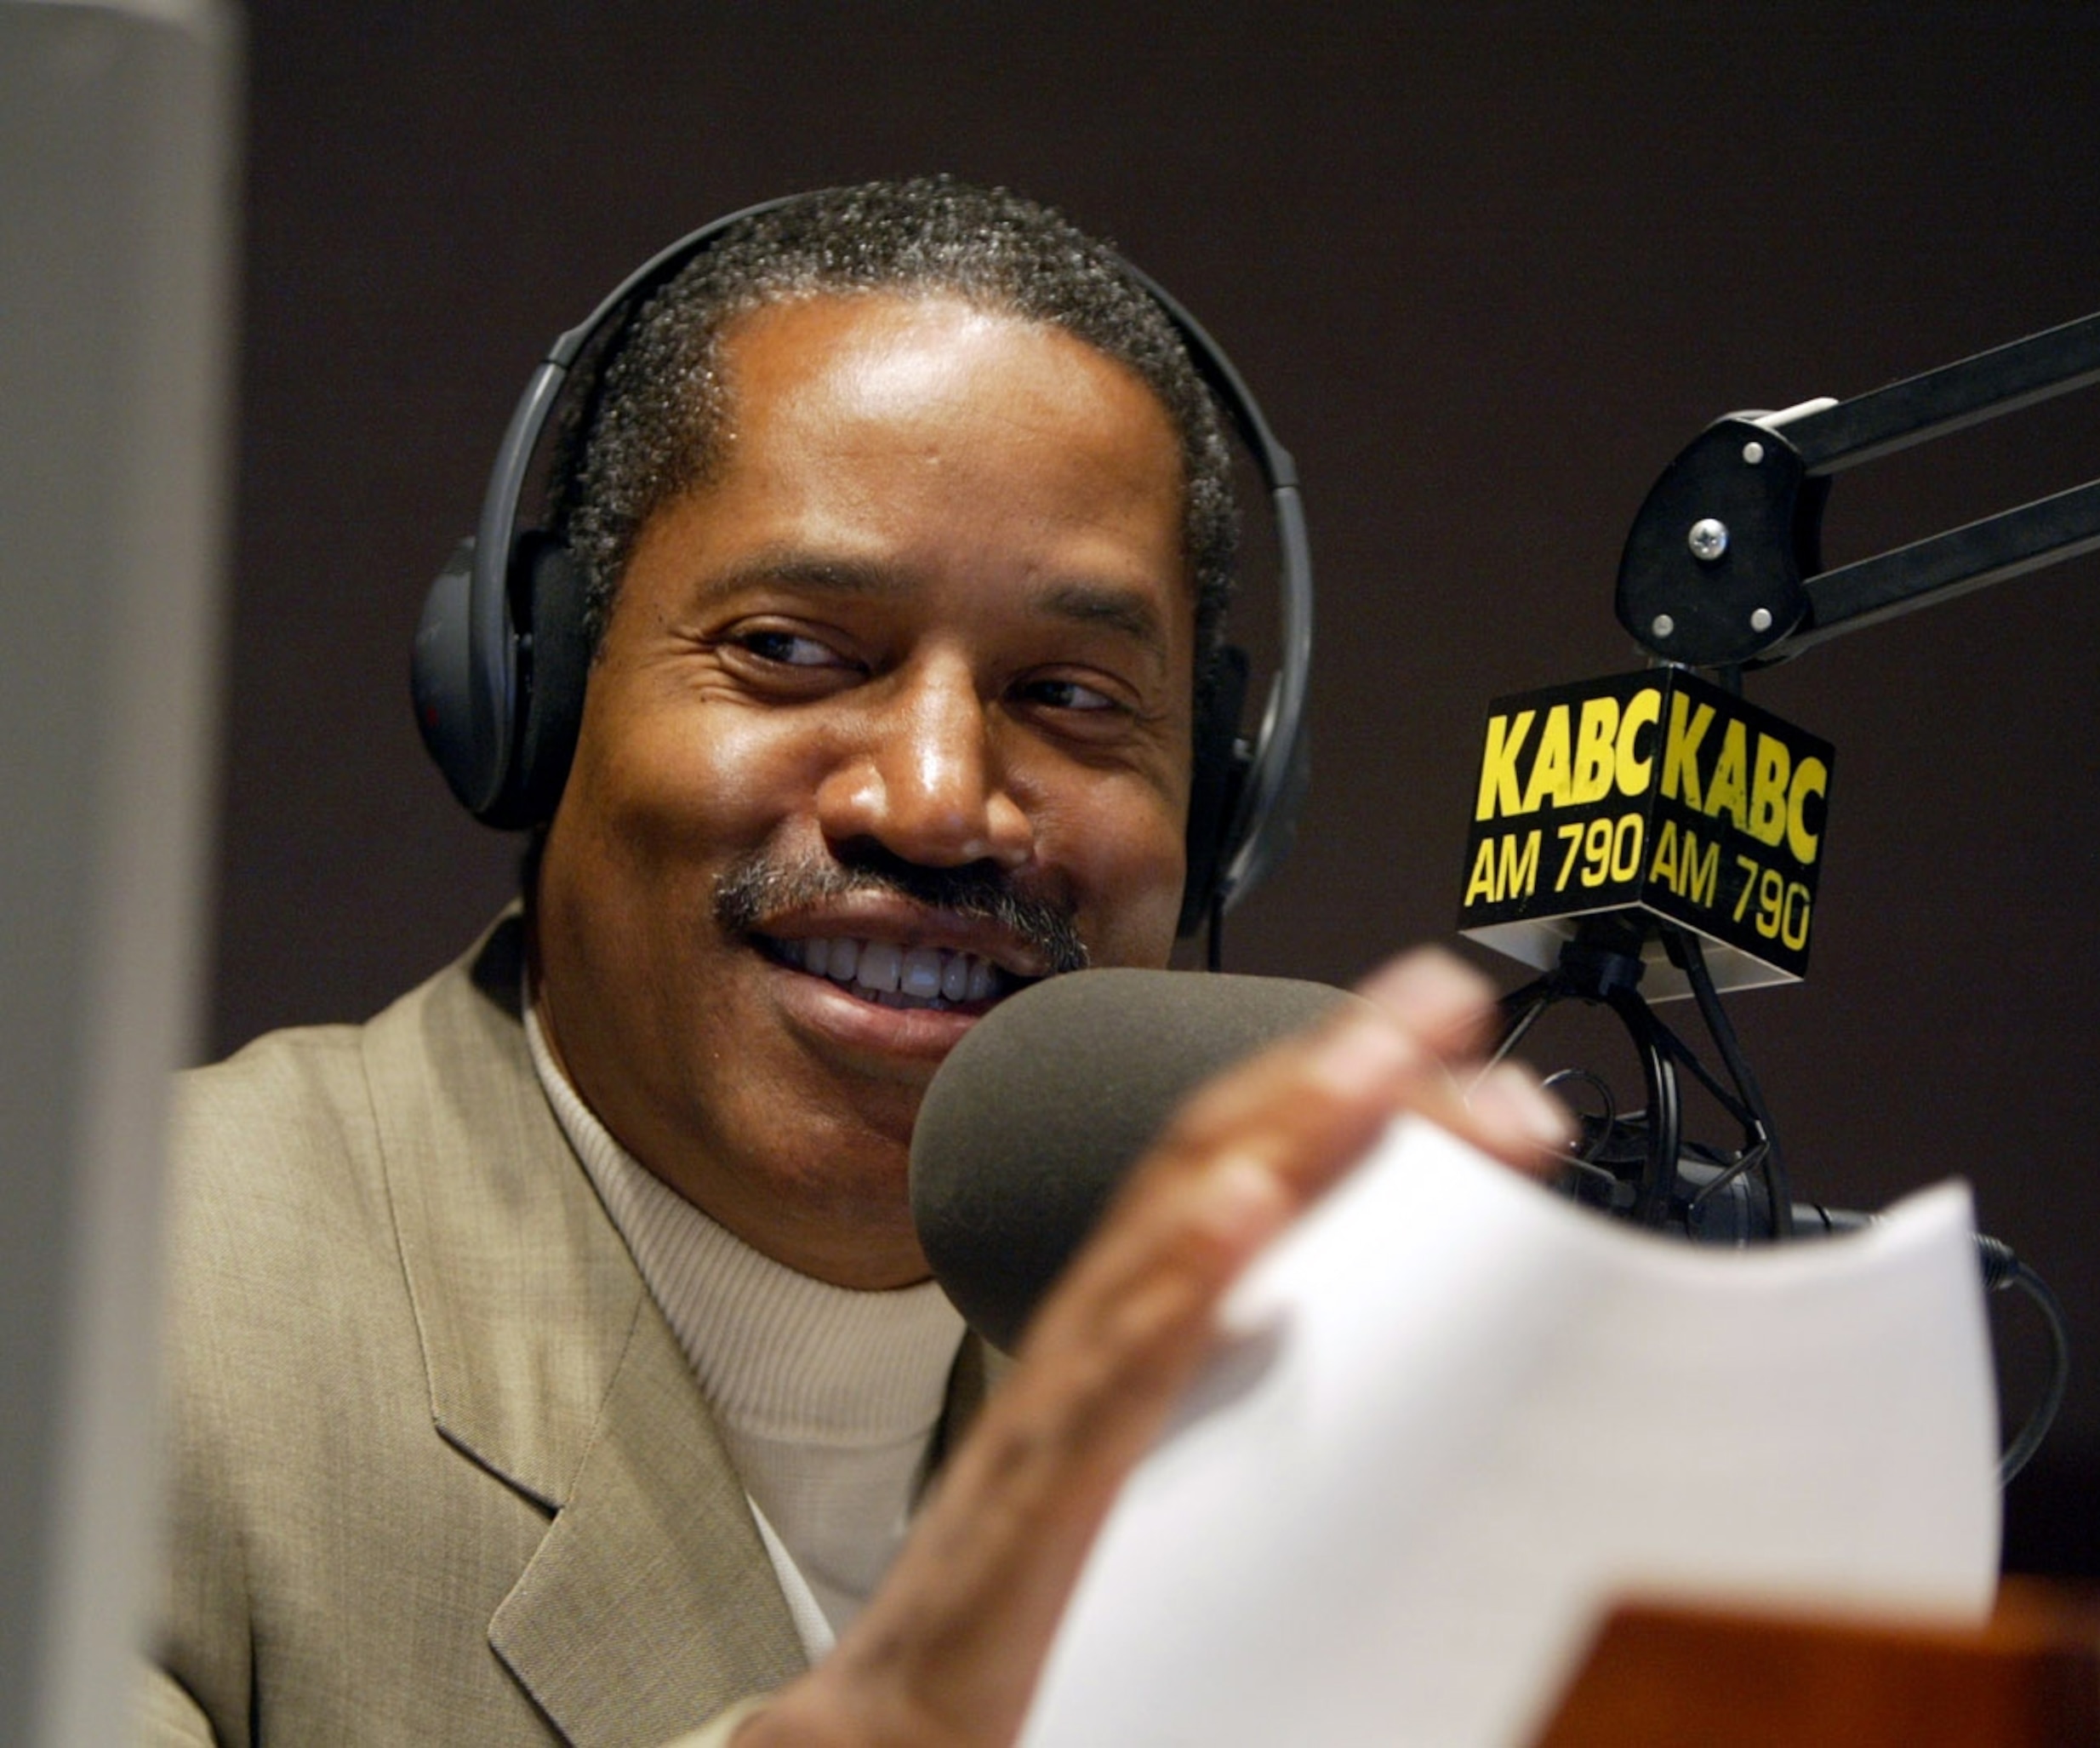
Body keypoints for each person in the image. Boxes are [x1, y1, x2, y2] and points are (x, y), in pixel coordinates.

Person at [143, 180, 1566, 1745]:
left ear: (1218, 803)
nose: (942, 799)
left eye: (1073, 694)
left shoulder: (1255, 1415)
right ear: (532, 694)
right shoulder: (113, 1299)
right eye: (794, 650)